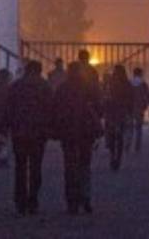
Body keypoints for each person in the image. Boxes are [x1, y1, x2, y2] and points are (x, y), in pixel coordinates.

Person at [2, 60, 54, 215]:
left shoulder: (16, 86)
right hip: (38, 132)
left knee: (20, 166)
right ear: (39, 70)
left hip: (19, 131)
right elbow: (51, 109)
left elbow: (8, 109)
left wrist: (4, 128)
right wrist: (52, 128)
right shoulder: (45, 86)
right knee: (36, 167)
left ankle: (20, 200)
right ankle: (33, 200)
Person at [53, 62, 103, 214]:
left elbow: (55, 109)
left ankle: (71, 201)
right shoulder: (90, 88)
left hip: (68, 132)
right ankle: (85, 197)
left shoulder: (62, 89)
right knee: (85, 166)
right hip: (86, 132)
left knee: (70, 167)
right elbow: (99, 108)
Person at [103, 64, 134, 171]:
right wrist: (130, 111)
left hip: (111, 112)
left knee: (111, 136)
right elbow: (131, 98)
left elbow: (105, 97)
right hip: (122, 112)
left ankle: (112, 156)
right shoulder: (127, 84)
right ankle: (118, 158)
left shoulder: (110, 83)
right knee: (120, 137)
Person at [130, 67, 149, 153]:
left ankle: (127, 143)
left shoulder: (129, 83)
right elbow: (147, 96)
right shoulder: (143, 84)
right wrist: (145, 105)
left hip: (130, 108)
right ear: (141, 74)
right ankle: (137, 146)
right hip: (140, 108)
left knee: (129, 127)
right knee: (139, 128)